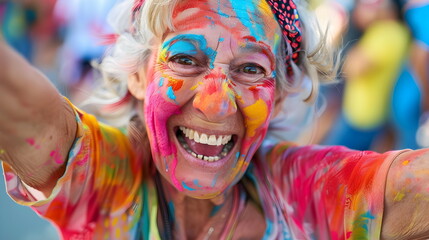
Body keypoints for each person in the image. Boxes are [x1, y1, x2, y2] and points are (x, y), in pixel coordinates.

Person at [2, 0, 429, 239]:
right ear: (137, 75)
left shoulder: (308, 195)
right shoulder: (104, 180)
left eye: (250, 69)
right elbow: (23, 109)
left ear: (278, 98)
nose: (216, 104)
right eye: (185, 59)